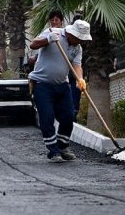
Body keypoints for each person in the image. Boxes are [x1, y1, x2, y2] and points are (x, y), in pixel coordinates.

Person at [28, 11, 92, 161]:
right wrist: (47, 40)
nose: (80, 41)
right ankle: (53, 151)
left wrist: (80, 79)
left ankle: (63, 146)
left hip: (62, 85)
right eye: (78, 38)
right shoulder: (53, 32)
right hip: (42, 84)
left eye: (82, 39)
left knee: (69, 115)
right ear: (72, 33)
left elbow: (77, 65)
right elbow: (33, 44)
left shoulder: (77, 48)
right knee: (47, 116)